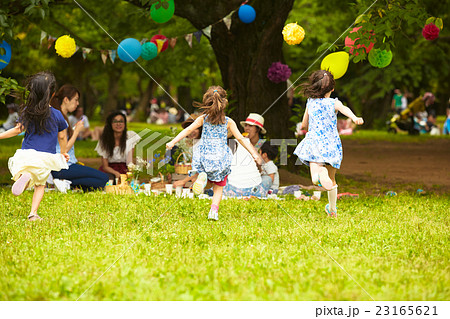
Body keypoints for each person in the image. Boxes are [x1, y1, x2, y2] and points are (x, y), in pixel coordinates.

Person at [166, 86, 261, 221]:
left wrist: (173, 142)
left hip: (205, 155)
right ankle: (213, 211)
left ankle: (202, 178)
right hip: (220, 157)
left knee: (206, 178)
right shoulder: (228, 122)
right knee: (218, 187)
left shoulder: (202, 119)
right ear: (224, 103)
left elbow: (187, 131)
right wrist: (254, 154)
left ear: (207, 103)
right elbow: (241, 139)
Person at [293, 70, 364, 218]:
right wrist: (355, 117)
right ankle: (332, 210)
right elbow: (345, 109)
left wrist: (305, 127)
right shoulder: (334, 102)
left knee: (315, 178)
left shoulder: (310, 103)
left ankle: (321, 173)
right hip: (332, 144)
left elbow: (304, 123)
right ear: (332, 88)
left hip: (315, 143)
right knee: (332, 180)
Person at [0, 71, 69, 221]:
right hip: (46, 156)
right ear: (52, 94)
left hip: (27, 153)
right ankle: (33, 213)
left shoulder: (28, 111)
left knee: (25, 173)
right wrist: (63, 153)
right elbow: (62, 135)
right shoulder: (57, 114)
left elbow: (18, 130)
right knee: (40, 185)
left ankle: (24, 178)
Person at [50, 85, 108, 191]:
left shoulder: (62, 117)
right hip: (62, 166)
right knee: (104, 179)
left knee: (100, 180)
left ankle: (67, 183)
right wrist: (76, 131)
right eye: (76, 100)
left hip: (67, 165)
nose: (77, 103)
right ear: (66, 100)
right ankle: (63, 181)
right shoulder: (59, 118)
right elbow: (63, 150)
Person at [95, 111, 141, 181]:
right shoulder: (104, 141)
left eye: (121, 121)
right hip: (109, 170)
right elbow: (105, 166)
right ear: (110, 124)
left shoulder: (130, 137)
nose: (118, 124)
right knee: (110, 180)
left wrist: (130, 173)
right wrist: (116, 173)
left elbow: (129, 162)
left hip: (124, 168)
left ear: (125, 124)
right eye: (115, 121)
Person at [172, 115, 203, 188]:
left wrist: (184, 181)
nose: (191, 132)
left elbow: (200, 167)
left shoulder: (201, 144)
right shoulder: (184, 142)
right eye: (189, 129)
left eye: (195, 129)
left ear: (200, 130)